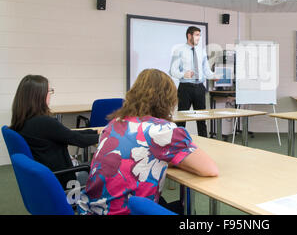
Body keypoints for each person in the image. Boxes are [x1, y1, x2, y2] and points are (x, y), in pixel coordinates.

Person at [77, 69, 218, 215]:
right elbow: (210, 169)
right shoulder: (163, 130)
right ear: (168, 100)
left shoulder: (114, 123)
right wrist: (178, 162)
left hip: (90, 210)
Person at [10, 75, 100, 190]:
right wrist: (107, 136)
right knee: (104, 169)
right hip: (64, 179)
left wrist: (95, 131)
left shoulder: (23, 121)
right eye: (49, 91)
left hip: (48, 177)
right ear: (39, 96)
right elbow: (78, 140)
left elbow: (68, 134)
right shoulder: (44, 122)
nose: (50, 95)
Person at [170, 26, 217, 137]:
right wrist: (183, 75)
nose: (198, 38)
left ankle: (205, 143)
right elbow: (172, 70)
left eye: (199, 35)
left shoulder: (201, 51)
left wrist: (213, 76)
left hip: (199, 88)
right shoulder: (179, 50)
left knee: (201, 119)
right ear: (189, 35)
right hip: (185, 88)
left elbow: (206, 70)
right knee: (181, 119)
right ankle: (179, 142)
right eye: (196, 35)